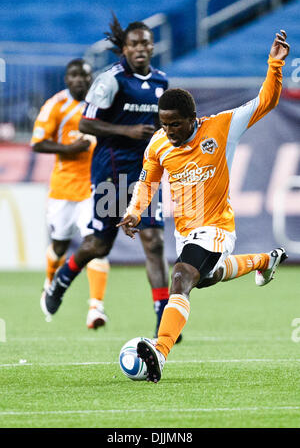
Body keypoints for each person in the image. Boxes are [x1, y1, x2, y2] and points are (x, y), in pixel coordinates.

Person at [118, 30, 290, 382]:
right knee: (206, 277)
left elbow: (266, 102)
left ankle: (161, 351)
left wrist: (274, 65)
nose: (169, 131)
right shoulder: (159, 144)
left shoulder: (222, 127)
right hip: (186, 232)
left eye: (175, 124)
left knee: (180, 278)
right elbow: (148, 180)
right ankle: (264, 259)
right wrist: (135, 210)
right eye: (164, 125)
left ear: (193, 117)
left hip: (217, 228)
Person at [40, 15, 173, 339]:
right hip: (112, 171)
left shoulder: (161, 82)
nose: (140, 48)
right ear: (124, 49)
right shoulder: (110, 79)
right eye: (134, 43)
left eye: (145, 42)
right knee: (99, 246)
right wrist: (126, 130)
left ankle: (163, 321)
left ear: (152, 46)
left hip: (145, 174)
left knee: (153, 243)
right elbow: (86, 123)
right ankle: (63, 277)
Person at [32, 59, 110, 329]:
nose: (79, 80)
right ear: (67, 79)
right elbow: (38, 143)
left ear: (91, 79)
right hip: (63, 190)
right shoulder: (56, 106)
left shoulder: (101, 106)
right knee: (60, 245)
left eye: (84, 76)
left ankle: (96, 307)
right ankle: (50, 284)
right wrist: (70, 148)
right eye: (74, 75)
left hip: (94, 187)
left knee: (97, 244)